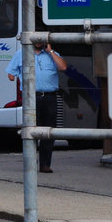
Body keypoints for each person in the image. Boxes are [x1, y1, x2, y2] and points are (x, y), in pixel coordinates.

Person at [6, 40, 68, 173]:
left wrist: (50, 51)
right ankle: (31, 164)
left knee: (48, 132)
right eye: (36, 40)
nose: (39, 43)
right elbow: (11, 75)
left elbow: (63, 67)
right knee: (31, 131)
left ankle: (45, 164)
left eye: (41, 41)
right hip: (31, 97)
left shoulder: (52, 54)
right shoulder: (21, 54)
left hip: (50, 97)